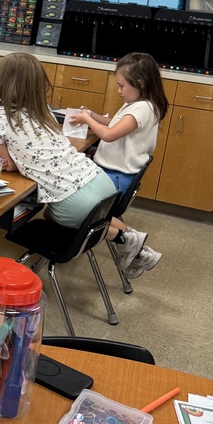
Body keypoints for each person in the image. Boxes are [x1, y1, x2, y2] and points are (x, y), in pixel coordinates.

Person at [0, 52, 118, 229]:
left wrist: (15, 161)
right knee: (100, 220)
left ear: (1, 83)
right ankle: (126, 237)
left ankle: (119, 236)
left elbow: (6, 165)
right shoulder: (45, 111)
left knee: (51, 214)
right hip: (101, 181)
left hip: (75, 201)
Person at [69, 52, 167, 280]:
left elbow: (110, 134)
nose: (119, 90)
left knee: (74, 203)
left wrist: (87, 120)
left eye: (122, 86)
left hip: (115, 177)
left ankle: (128, 239)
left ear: (140, 83)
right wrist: (92, 115)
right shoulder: (137, 104)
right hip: (114, 172)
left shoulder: (142, 109)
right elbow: (114, 123)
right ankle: (135, 245)